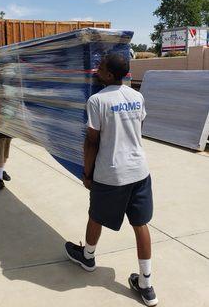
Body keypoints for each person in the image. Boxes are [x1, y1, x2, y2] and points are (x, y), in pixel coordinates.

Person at [65, 53, 158, 307]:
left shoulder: (97, 101)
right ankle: (147, 285)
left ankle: (88, 257)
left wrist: (87, 173)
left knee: (96, 215)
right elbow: (140, 125)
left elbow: (91, 141)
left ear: (108, 74)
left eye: (101, 67)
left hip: (111, 173)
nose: (97, 69)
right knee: (141, 224)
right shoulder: (137, 96)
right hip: (139, 171)